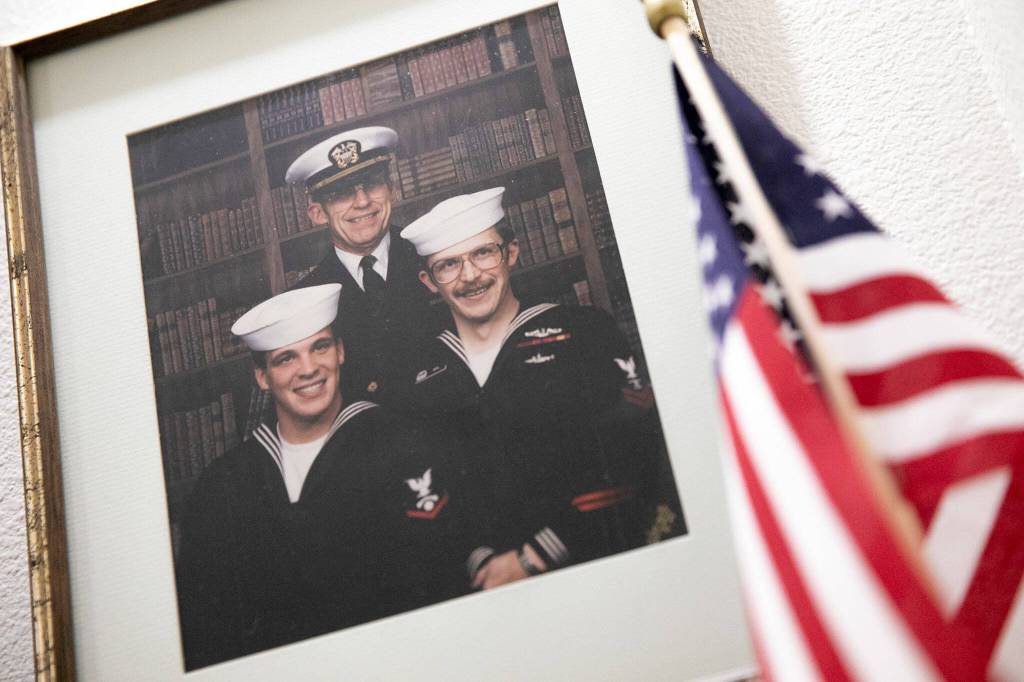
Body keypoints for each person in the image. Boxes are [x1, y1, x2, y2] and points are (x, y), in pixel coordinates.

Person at [175, 284, 466, 670]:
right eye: (286, 359)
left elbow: (442, 578)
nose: (308, 369)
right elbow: (204, 626)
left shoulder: (400, 443)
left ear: (340, 352)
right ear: (262, 377)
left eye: (320, 347)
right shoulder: (225, 484)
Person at [398, 187, 674, 592]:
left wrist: (536, 556)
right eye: (448, 265)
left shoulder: (585, 332)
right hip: (484, 585)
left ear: (511, 253)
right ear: (428, 281)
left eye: (483, 253)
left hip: (593, 566)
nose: (470, 275)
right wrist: (480, 561)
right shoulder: (421, 377)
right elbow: (419, 485)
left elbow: (634, 450)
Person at [285, 126, 439, 403]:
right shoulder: (303, 302)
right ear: (318, 214)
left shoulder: (438, 258)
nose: (363, 201)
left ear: (391, 190)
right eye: (342, 193)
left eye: (372, 184)